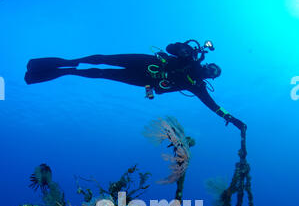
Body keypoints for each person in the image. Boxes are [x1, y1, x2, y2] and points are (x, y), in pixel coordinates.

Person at [24, 40, 246, 132]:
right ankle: (67, 63)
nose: (210, 71)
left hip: (146, 81)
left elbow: (214, 106)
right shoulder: (190, 57)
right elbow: (170, 47)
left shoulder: (198, 85)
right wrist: (182, 49)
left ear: (211, 79)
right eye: (212, 67)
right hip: (146, 63)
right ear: (207, 63)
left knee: (102, 73)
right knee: (103, 58)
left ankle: (66, 71)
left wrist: (231, 118)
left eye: (213, 74)